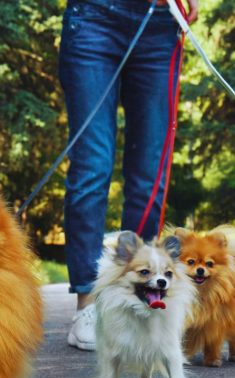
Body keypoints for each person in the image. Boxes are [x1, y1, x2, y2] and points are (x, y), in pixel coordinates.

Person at [58, 0, 199, 350]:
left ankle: (139, 297)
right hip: (94, 17)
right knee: (93, 165)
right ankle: (89, 304)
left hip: (160, 25)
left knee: (150, 173)